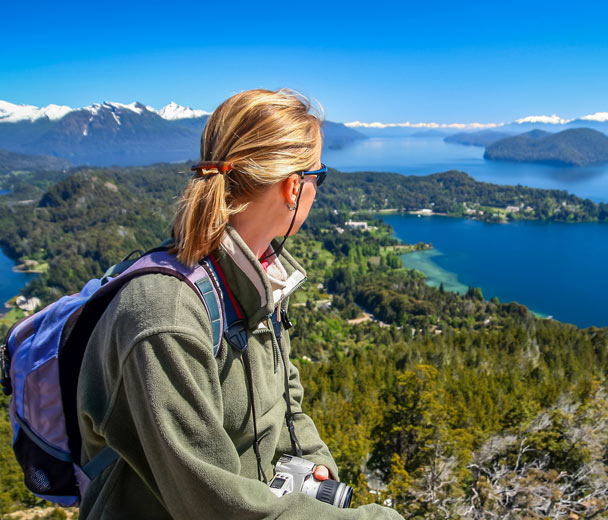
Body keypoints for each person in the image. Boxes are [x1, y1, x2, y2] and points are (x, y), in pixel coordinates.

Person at [77, 89, 403, 519]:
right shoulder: (166, 316)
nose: (317, 190)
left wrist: (317, 466)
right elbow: (215, 509)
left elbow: (287, 401)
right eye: (318, 177)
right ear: (293, 187)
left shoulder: (259, 280)